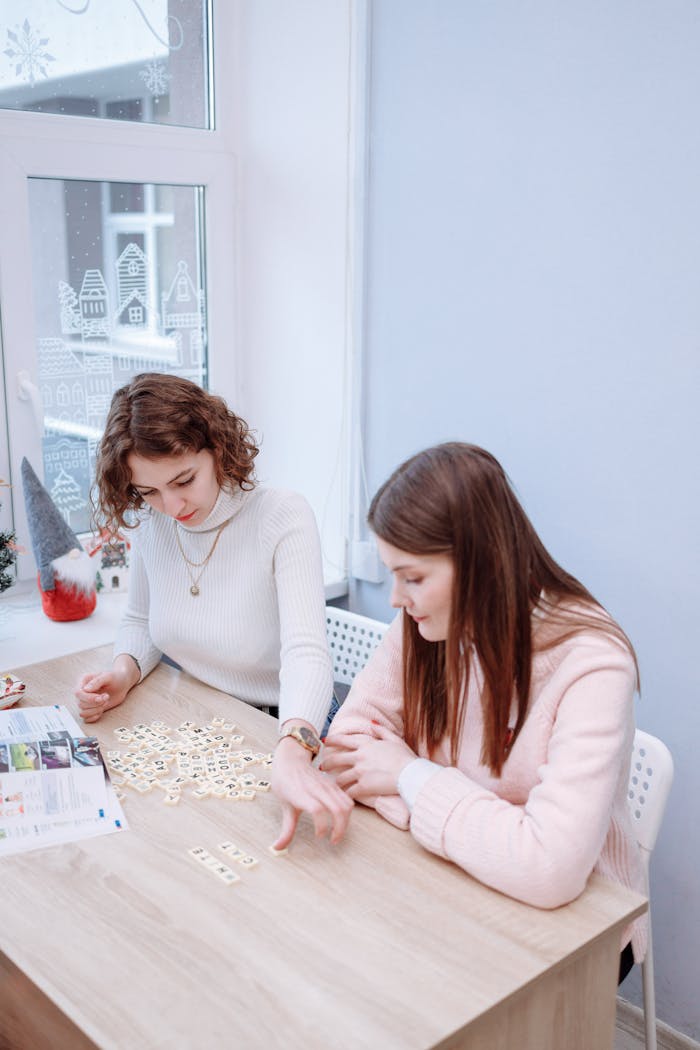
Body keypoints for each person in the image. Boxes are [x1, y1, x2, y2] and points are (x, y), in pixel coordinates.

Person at [322, 442, 646, 981]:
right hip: (446, 876)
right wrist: (483, 830)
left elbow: (548, 869)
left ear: (480, 563)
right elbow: (349, 748)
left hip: (579, 931)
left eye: (414, 577)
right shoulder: (424, 623)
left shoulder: (592, 663)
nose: (395, 599)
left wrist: (408, 775)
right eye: (392, 574)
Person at [75, 373, 352, 846]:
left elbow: (306, 653)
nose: (172, 505)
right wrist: (122, 672)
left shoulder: (282, 515)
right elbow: (142, 620)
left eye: (185, 480)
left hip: (289, 725)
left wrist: (294, 747)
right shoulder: (152, 523)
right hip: (208, 717)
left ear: (218, 448)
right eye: (149, 492)